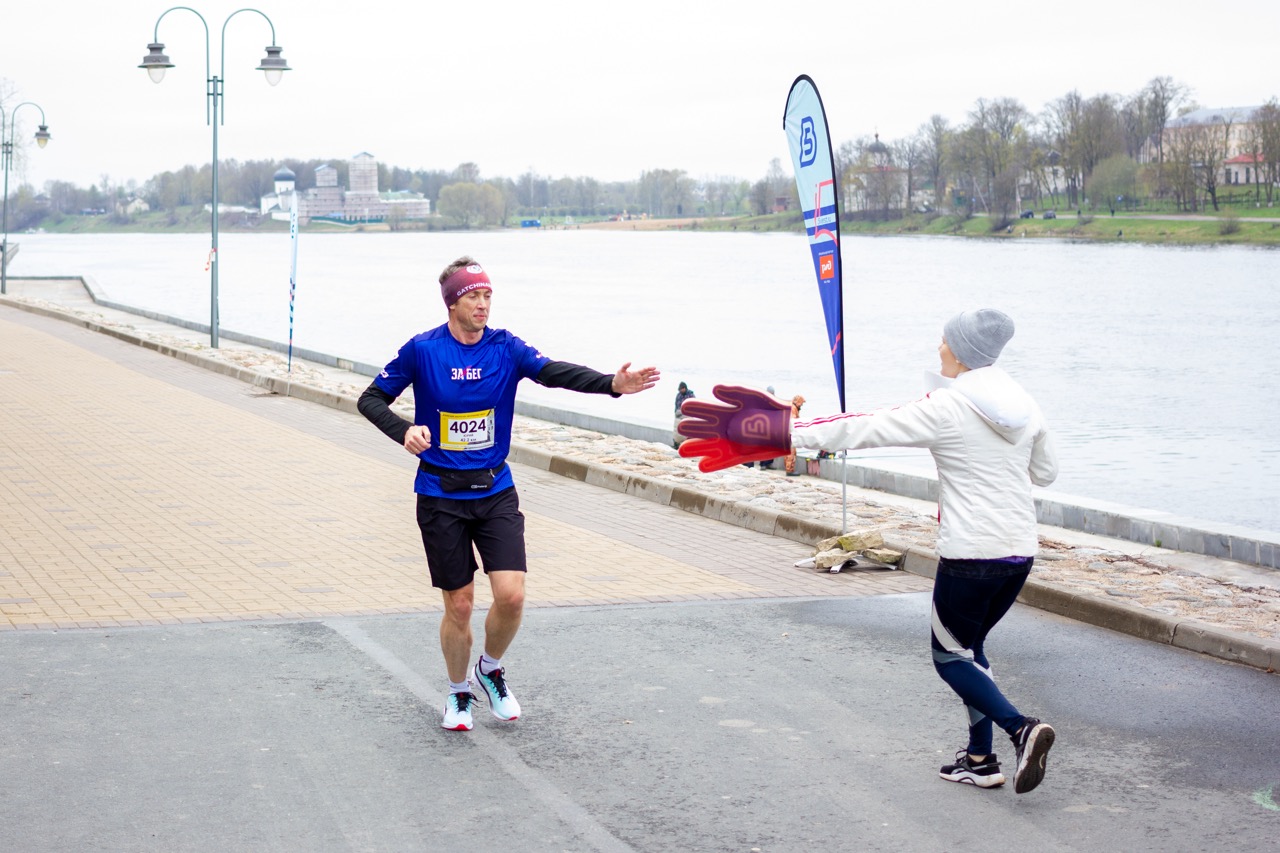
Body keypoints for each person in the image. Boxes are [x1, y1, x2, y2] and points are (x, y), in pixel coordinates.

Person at [676, 308, 1058, 793]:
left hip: (970, 554)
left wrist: (778, 432)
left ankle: (1020, 729)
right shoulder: (1026, 406)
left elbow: (863, 426)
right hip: (1019, 553)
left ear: (961, 352)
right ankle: (979, 759)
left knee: (949, 658)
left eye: (943, 340)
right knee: (971, 648)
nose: (937, 348)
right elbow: (1045, 474)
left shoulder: (948, 407)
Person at [357, 256, 659, 732]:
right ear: (453, 302)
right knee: (458, 604)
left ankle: (490, 669)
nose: (483, 303)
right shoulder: (422, 350)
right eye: (473, 295)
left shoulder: (505, 347)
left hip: (495, 488)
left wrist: (611, 385)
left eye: (488, 295)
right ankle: (458, 693)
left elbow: (554, 371)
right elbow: (370, 398)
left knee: (512, 595)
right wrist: (404, 432)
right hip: (439, 493)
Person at [783, 395, 806, 476]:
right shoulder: (793, 409)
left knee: (787, 452)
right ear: (798, 402)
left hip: (786, 434)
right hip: (790, 434)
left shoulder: (791, 407)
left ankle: (788, 468)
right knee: (791, 452)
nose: (801, 406)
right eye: (801, 404)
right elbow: (792, 422)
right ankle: (789, 470)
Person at [673, 382, 695, 448]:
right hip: (679, 413)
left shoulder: (691, 395)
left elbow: (693, 406)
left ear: (684, 388)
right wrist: (676, 412)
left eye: (681, 389)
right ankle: (676, 443)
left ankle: (687, 444)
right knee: (677, 429)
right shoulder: (678, 395)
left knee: (687, 430)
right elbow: (676, 404)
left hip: (688, 414)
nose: (680, 391)